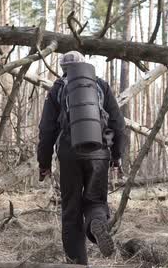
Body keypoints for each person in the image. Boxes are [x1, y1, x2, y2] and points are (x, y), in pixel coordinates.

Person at [37, 51, 126, 265]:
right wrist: (117, 155)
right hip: (99, 151)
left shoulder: (58, 88)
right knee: (96, 201)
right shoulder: (100, 85)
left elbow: (47, 129)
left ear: (63, 68)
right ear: (84, 65)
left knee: (71, 210)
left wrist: (44, 163)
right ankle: (96, 222)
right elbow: (117, 123)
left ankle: (77, 263)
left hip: (69, 152)